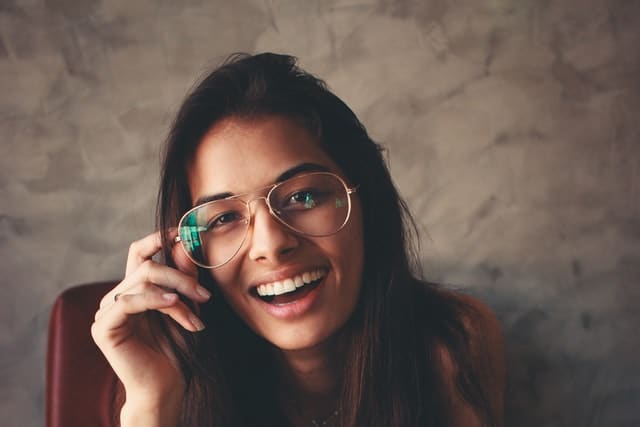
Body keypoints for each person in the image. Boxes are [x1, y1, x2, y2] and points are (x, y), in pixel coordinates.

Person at [91, 52, 505, 427]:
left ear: (366, 202)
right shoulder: (158, 375)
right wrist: (152, 405)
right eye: (223, 218)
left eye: (303, 197)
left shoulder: (452, 341)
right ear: (188, 253)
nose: (270, 244)